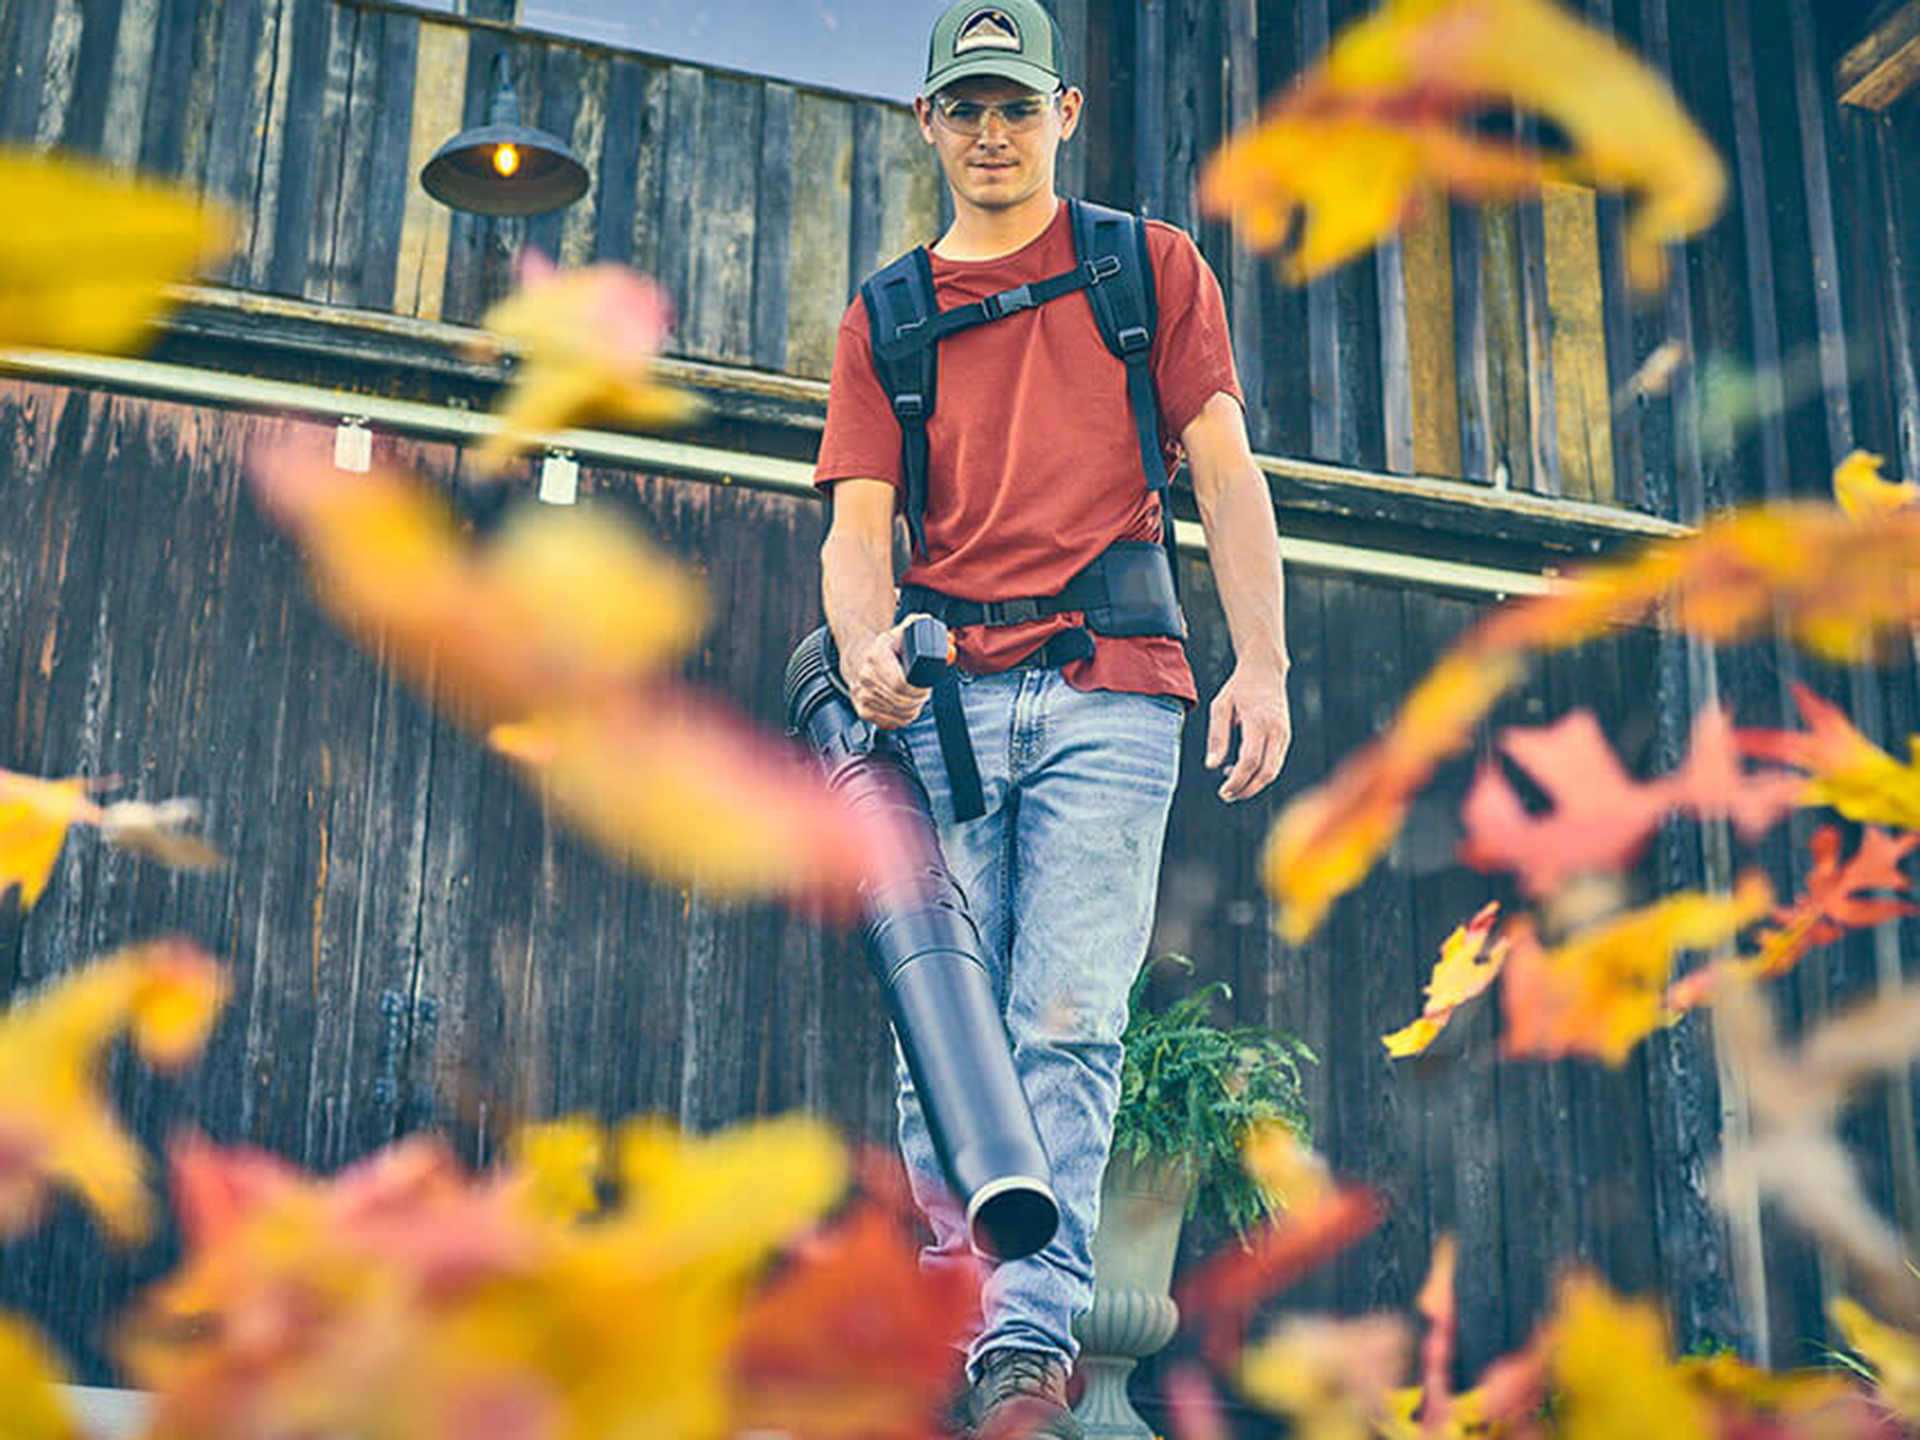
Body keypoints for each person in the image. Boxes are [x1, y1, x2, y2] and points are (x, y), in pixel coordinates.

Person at [813, 1, 1292, 1432]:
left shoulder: (1143, 270)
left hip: (1114, 693)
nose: (992, 133)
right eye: (965, 107)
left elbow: (1226, 468)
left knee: (1069, 1021)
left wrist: (1259, 664)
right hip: (943, 707)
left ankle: (1025, 1346)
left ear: (1064, 114)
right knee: (944, 1024)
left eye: (1017, 106)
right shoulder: (885, 313)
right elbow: (857, 527)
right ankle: (963, 1320)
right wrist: (858, 649)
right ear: (928, 125)